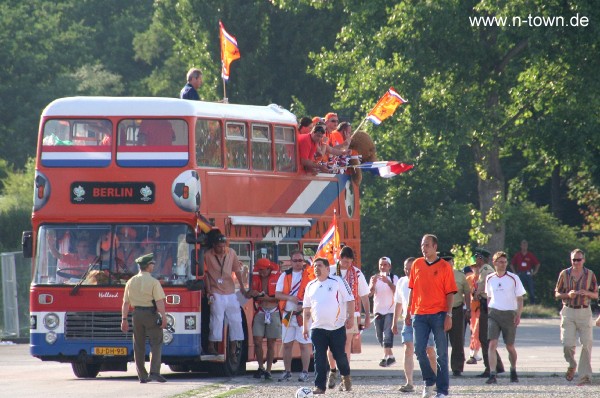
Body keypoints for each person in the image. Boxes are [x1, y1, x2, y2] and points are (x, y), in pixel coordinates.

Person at [405, 234, 457, 398]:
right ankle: (429, 381)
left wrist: (449, 314)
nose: (424, 248)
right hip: (419, 314)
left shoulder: (444, 266)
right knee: (419, 349)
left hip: (439, 314)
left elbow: (450, 293)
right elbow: (412, 289)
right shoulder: (417, 264)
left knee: (441, 353)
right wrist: (408, 311)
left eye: (427, 245)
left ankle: (442, 390)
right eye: (422, 245)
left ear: (435, 247)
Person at [302, 257, 354, 394]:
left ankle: (346, 376)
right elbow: (306, 308)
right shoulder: (310, 286)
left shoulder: (337, 281)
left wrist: (351, 317)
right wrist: (305, 327)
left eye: (319, 266)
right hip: (317, 328)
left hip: (336, 327)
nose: (316, 268)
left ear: (327, 268)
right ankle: (319, 386)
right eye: (314, 266)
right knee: (319, 357)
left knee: (339, 356)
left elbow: (350, 299)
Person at [327, 246, 370, 389]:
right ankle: (333, 371)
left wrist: (367, 316)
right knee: (331, 347)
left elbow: (364, 296)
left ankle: (344, 377)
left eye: (349, 262)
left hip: (352, 313)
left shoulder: (357, 273)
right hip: (332, 313)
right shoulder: (331, 271)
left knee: (346, 346)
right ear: (339, 259)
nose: (347, 265)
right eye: (344, 262)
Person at [392, 257, 437, 394]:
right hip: (408, 320)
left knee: (429, 350)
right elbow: (399, 303)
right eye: (406, 268)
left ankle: (433, 381)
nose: (407, 270)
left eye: (410, 268)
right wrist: (394, 322)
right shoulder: (401, 282)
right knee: (408, 349)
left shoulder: (425, 280)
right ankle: (409, 382)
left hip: (424, 320)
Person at [120, 253, 167, 383]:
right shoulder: (153, 282)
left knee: (138, 345)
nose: (153, 265)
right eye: (152, 263)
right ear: (147, 266)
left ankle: (142, 375)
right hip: (150, 314)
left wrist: (124, 319)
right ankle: (154, 372)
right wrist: (163, 317)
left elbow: (125, 303)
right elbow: (159, 302)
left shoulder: (130, 281)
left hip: (136, 315)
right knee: (156, 342)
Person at [554, 248, 598, 386]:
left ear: (583, 260)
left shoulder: (590, 274)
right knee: (567, 344)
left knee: (587, 344)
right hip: (568, 311)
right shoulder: (564, 274)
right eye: (574, 259)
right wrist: (568, 294)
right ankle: (572, 364)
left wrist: (587, 293)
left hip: (585, 311)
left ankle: (585, 376)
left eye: (579, 259)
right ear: (570, 260)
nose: (576, 262)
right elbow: (557, 293)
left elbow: (596, 294)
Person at [484, 251, 526, 385]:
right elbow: (489, 297)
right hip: (494, 313)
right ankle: (492, 373)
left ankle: (513, 369)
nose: (503, 264)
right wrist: (489, 311)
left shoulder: (513, 278)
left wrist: (518, 314)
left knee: (509, 346)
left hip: (509, 313)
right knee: (492, 343)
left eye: (505, 262)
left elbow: (520, 298)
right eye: (500, 262)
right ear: (494, 263)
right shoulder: (490, 278)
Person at [204, 230, 249, 355]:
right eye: (219, 246)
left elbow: (237, 270)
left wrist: (242, 288)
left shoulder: (231, 253)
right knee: (216, 318)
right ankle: (212, 345)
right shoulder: (207, 255)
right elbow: (206, 274)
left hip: (230, 291)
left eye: (224, 246)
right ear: (214, 245)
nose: (222, 248)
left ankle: (234, 347)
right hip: (215, 291)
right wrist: (208, 291)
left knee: (236, 319)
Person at [275, 250, 314, 382]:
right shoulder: (284, 276)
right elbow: (277, 294)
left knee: (304, 345)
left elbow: (313, 294)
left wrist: (302, 305)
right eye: (295, 260)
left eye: (300, 260)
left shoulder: (309, 275)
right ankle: (287, 371)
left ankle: (305, 372)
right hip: (287, 315)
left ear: (303, 261)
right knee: (287, 344)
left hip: (303, 314)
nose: (298, 263)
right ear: (291, 262)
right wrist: (290, 298)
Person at [473, 248, 505, 378]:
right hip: (487, 306)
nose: (476, 260)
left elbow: (479, 290)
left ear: (481, 258)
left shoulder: (485, 270)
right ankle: (496, 366)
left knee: (485, 338)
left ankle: (490, 367)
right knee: (487, 338)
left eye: (477, 258)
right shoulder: (485, 270)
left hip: (487, 307)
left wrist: (475, 294)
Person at [248, 258, 281, 380]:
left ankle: (268, 370)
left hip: (273, 312)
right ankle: (260, 367)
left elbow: (279, 298)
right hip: (260, 311)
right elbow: (248, 294)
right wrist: (252, 292)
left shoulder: (277, 279)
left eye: (262, 270)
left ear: (269, 269)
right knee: (257, 341)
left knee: (271, 343)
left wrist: (265, 298)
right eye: (259, 270)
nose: (261, 273)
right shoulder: (256, 279)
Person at [439, 251, 471, 377]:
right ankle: (441, 368)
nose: (447, 263)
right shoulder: (436, 274)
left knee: (457, 341)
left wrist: (468, 309)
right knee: (441, 341)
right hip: (440, 311)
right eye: (444, 261)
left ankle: (457, 368)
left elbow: (467, 292)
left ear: (453, 262)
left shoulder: (460, 275)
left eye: (449, 261)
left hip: (457, 310)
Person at [368, 256, 398, 367]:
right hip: (378, 311)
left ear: (389, 266)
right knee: (380, 336)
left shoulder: (394, 277)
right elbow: (369, 294)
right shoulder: (374, 278)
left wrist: (388, 282)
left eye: (385, 264)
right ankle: (391, 357)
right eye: (381, 264)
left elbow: (397, 291)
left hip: (390, 310)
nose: (383, 267)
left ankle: (384, 358)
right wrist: (372, 284)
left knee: (387, 335)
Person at [510, 239, 540, 305]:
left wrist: (535, 272)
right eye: (523, 245)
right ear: (521, 246)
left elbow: (537, 264)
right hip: (520, 274)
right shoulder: (518, 255)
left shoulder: (530, 255)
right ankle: (518, 304)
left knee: (531, 290)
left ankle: (532, 304)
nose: (524, 247)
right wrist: (514, 273)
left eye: (525, 245)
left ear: (527, 246)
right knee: (519, 290)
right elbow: (511, 264)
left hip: (528, 274)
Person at [464, 265, 482, 365]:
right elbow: (464, 293)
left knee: (476, 331)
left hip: (481, 308)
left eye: (478, 267)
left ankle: (474, 353)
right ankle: (473, 353)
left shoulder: (484, 278)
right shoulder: (468, 279)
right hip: (471, 308)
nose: (476, 269)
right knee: (473, 331)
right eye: (474, 267)